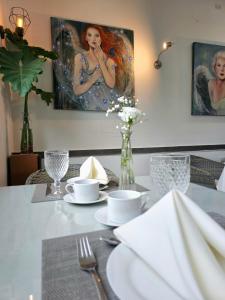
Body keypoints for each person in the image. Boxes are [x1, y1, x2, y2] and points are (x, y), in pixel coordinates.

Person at [73, 24, 124, 111]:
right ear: (86, 38)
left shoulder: (109, 60)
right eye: (89, 35)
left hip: (107, 105)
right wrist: (93, 79)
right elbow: (76, 90)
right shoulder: (79, 58)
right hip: (88, 106)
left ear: (101, 38)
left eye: (97, 35)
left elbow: (111, 84)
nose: (93, 39)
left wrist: (100, 60)